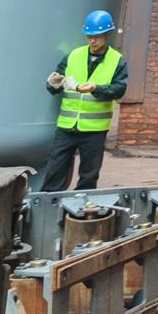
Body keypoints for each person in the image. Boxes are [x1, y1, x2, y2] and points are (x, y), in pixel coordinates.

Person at [42, 10, 128, 192]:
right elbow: (56, 82)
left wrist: (96, 88)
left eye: (97, 37)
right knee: (55, 171)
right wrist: (53, 83)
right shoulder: (74, 55)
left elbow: (119, 90)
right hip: (67, 126)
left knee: (89, 176)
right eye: (89, 36)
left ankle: (81, 206)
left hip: (94, 130)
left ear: (107, 34)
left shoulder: (116, 61)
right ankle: (49, 203)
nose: (92, 41)